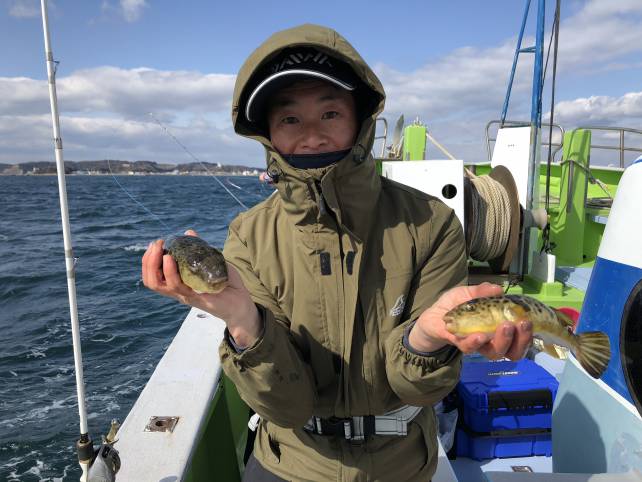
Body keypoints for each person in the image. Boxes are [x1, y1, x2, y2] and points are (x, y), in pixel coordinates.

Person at [142, 24, 533, 482]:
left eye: (330, 113)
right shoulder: (247, 237)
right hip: (288, 461)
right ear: (267, 133)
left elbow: (419, 389)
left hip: (401, 464)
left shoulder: (432, 224)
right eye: (290, 119)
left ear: (360, 120)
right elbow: (287, 407)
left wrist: (426, 338)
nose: (312, 135)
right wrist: (244, 322)